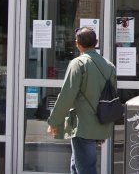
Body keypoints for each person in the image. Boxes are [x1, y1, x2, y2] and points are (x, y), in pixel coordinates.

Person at [47, 26, 116, 174]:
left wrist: (54, 121)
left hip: (82, 125)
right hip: (100, 122)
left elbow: (67, 95)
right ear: (96, 42)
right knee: (77, 165)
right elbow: (111, 98)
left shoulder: (78, 64)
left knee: (84, 168)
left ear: (77, 44)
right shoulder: (109, 66)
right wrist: (104, 127)